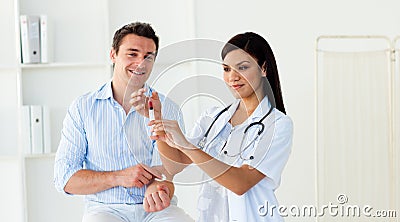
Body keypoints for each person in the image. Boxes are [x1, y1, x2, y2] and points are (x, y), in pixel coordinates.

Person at [136, 32, 293, 221]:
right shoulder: (213, 117)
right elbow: (175, 165)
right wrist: (158, 121)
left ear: (264, 68)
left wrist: (186, 144)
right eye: (226, 69)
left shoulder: (277, 124)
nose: (232, 77)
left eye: (242, 67)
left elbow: (241, 183)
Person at [54, 22, 193, 222]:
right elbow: (65, 179)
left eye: (148, 57)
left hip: (157, 211)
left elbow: (170, 170)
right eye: (132, 54)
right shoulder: (83, 108)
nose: (141, 63)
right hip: (105, 210)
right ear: (113, 55)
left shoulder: (168, 107)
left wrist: (161, 185)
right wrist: (118, 177)